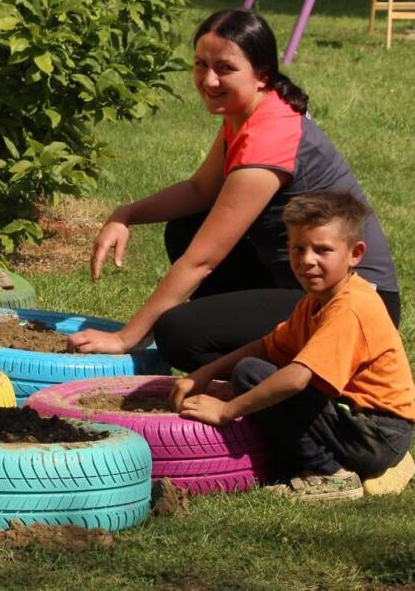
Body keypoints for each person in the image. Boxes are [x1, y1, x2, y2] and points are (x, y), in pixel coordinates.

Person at [68, 9, 400, 371]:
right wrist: (125, 214)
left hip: (354, 306)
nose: (209, 80)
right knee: (187, 224)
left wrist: (125, 338)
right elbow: (199, 191)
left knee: (179, 333)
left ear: (262, 75)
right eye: (200, 64)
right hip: (302, 283)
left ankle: (279, 385)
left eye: (225, 68)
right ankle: (267, 362)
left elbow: (203, 259)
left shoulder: (269, 134)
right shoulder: (247, 114)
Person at [170, 191, 414, 501]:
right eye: (298, 248)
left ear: (355, 254)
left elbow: (297, 378)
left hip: (375, 433)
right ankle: (311, 463)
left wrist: (226, 411)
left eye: (322, 250)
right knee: (252, 372)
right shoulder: (314, 302)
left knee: (254, 376)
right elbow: (266, 347)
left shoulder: (351, 307)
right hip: (366, 427)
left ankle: (329, 473)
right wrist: (204, 373)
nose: (307, 260)